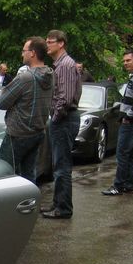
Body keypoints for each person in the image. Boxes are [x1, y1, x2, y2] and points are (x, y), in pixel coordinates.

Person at [0, 37, 53, 185]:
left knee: (3, 173)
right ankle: (29, 206)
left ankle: (5, 207)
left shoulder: (25, 78)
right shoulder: (51, 76)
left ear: (32, 53)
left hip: (18, 134)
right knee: (29, 174)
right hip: (37, 132)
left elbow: (1, 103)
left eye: (24, 51)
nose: (22, 54)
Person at [42, 29, 82, 220]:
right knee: (59, 164)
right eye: (46, 41)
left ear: (61, 44)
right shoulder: (63, 64)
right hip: (65, 119)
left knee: (62, 166)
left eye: (50, 42)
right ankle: (58, 203)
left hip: (65, 119)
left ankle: (63, 208)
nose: (47, 44)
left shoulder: (65, 65)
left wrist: (55, 118)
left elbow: (64, 99)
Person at [102, 50, 133, 196]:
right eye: (124, 61)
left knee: (122, 154)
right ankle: (129, 184)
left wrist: (128, 116)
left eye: (128, 60)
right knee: (130, 155)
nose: (125, 63)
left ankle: (118, 186)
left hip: (132, 122)